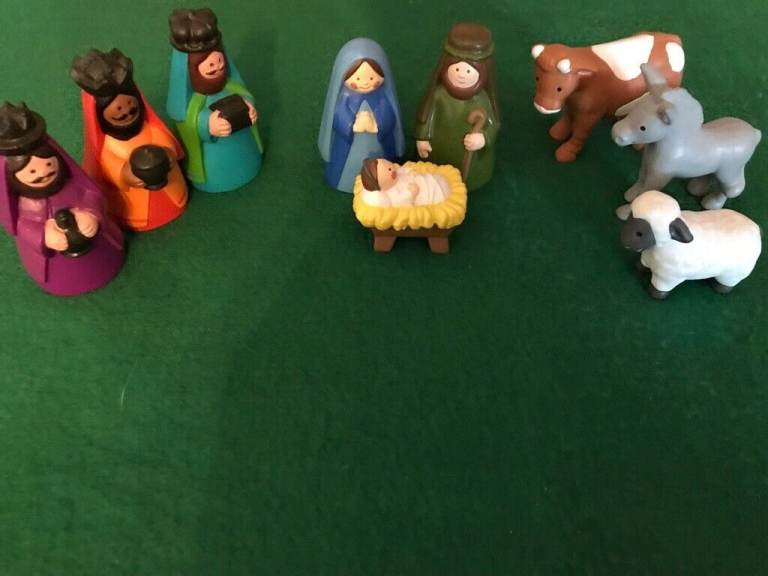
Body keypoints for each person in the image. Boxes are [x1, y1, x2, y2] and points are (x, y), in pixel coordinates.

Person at [415, 23, 500, 190]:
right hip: (438, 153)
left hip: (471, 162)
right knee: (436, 177)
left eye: (468, 71)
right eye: (457, 69)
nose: (461, 75)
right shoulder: (439, 94)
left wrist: (483, 138)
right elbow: (427, 115)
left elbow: (493, 123)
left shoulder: (482, 99)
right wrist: (423, 138)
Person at [318, 38, 405, 193]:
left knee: (384, 168)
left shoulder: (382, 97)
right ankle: (345, 181)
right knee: (345, 168)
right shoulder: (344, 98)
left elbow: (390, 117)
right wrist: (353, 125)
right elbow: (337, 118)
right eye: (358, 78)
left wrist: (376, 125)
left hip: (378, 148)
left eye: (371, 78)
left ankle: (383, 182)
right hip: (347, 148)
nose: (365, 83)